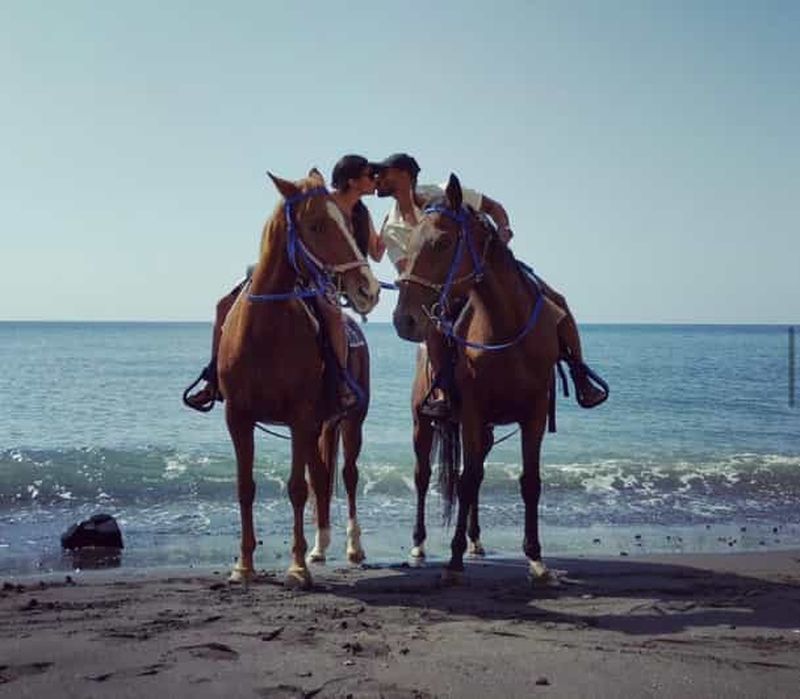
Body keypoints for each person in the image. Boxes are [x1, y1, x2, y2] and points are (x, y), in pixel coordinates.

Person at [373, 152, 608, 417]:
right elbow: (408, 270)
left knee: (556, 301)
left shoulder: (445, 193)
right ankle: (444, 393)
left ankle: (580, 375)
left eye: (384, 171)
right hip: (441, 286)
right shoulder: (391, 228)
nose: (377, 178)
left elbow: (494, 208)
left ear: (405, 174)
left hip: (489, 266)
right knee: (436, 329)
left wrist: (504, 230)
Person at [183, 155, 384, 412]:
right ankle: (213, 379)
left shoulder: (362, 215)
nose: (375, 180)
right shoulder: (322, 202)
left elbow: (374, 252)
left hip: (325, 278)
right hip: (291, 266)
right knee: (223, 305)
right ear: (352, 180)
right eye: (370, 175)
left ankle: (339, 381)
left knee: (333, 315)